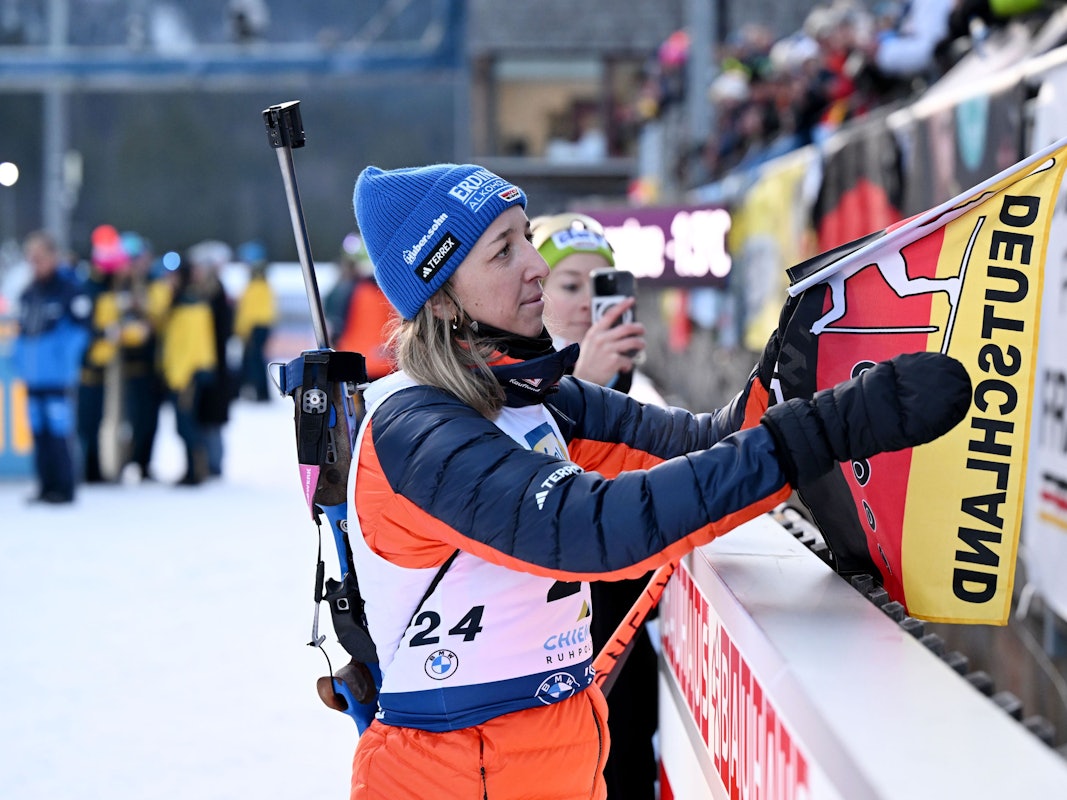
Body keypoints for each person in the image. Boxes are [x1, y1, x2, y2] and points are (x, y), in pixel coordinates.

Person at [345, 162, 972, 799]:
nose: (534, 263)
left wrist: (792, 362)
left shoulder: (528, 393)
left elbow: (701, 442)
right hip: (447, 775)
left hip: (549, 758)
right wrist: (819, 432)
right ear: (443, 295)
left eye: (527, 235)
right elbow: (593, 526)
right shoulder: (413, 429)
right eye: (504, 250)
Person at [531, 210, 664, 800]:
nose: (588, 300)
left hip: (621, 618)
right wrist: (581, 385)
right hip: (553, 630)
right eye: (570, 284)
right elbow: (538, 494)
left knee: (628, 753)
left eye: (602, 283)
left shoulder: (619, 367)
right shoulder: (511, 373)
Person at [12, 231, 91, 504]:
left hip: (57, 377)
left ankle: (64, 487)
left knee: (59, 435)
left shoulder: (68, 290)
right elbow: (21, 333)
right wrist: (21, 362)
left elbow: (80, 334)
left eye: (40, 257)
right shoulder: (29, 293)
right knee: (39, 434)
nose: (35, 263)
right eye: (31, 258)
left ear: (53, 257)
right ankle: (46, 486)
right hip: (34, 377)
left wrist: (61, 359)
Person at [159, 257, 216, 486]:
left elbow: (188, 347)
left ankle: (195, 471)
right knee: (186, 425)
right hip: (185, 374)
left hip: (186, 376)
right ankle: (193, 469)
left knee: (186, 425)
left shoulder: (189, 304)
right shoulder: (186, 302)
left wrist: (181, 377)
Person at [233, 240, 277, 402]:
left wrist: (242, 330)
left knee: (255, 360)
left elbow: (249, 312)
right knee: (256, 360)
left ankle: (259, 393)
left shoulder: (257, 285)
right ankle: (259, 392)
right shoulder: (261, 284)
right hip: (260, 326)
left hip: (256, 327)